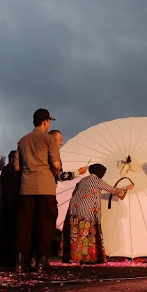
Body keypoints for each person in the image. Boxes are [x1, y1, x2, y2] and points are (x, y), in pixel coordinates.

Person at [14, 108, 62, 273]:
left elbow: (16, 166)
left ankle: (21, 261)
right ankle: (41, 261)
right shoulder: (49, 140)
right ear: (46, 122)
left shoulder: (22, 140)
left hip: (26, 187)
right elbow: (56, 165)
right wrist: (51, 175)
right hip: (46, 187)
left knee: (25, 225)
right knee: (45, 224)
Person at [66, 164, 131, 264]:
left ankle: (73, 256)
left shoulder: (83, 180)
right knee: (86, 233)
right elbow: (113, 190)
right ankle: (84, 257)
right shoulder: (97, 180)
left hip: (74, 209)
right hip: (87, 211)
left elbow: (75, 193)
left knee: (75, 233)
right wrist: (126, 188)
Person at [48, 129, 88, 263]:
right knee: (48, 220)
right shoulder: (53, 155)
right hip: (47, 191)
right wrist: (78, 173)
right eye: (60, 139)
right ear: (53, 140)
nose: (61, 142)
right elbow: (60, 175)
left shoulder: (39, 151)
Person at [0, 150, 21, 267]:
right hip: (15, 203)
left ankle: (4, 259)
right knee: (14, 232)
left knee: (6, 232)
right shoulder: (15, 170)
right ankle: (13, 258)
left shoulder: (4, 170)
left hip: (5, 203)